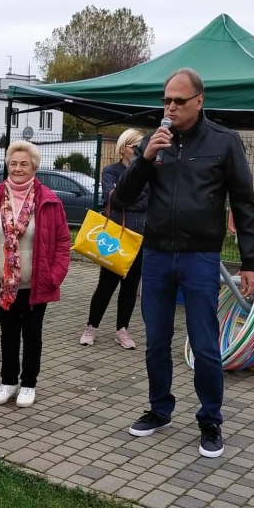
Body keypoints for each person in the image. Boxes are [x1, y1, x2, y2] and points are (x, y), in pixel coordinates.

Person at [116, 68, 254, 458]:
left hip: (200, 256)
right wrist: (145, 158)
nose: (171, 107)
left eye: (179, 101)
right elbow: (126, 196)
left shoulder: (224, 141)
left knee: (204, 343)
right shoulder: (154, 142)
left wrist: (251, 261)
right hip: (157, 255)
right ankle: (160, 409)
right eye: (166, 100)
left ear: (199, 100)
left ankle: (211, 419)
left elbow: (245, 203)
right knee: (156, 341)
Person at [0, 140, 71, 408]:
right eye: (13, 163)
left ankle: (28, 383)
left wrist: (55, 275)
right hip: (2, 283)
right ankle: (8, 381)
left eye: (24, 164)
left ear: (34, 167)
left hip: (35, 284)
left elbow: (63, 243)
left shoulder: (50, 200)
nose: (17, 168)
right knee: (7, 334)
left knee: (32, 335)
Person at [80, 128, 148, 350]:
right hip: (116, 238)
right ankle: (91, 327)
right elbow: (112, 198)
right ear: (123, 148)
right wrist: (128, 197)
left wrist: (125, 196)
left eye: (141, 146)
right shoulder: (111, 170)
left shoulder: (148, 172)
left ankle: (122, 330)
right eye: (133, 146)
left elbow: (149, 200)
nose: (137, 150)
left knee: (130, 287)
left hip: (139, 238)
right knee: (106, 285)